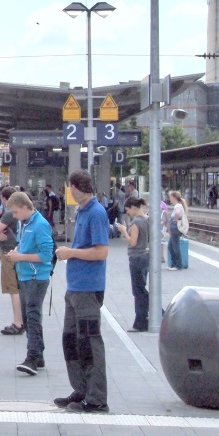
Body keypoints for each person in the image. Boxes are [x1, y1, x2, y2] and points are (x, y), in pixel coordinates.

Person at [52, 169, 110, 414]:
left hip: (88, 289)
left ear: (75, 187)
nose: (69, 193)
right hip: (75, 288)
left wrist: (71, 253)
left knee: (89, 343)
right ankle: (81, 389)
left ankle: (97, 399)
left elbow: (101, 252)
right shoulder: (82, 211)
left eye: (70, 188)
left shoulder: (97, 213)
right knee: (71, 341)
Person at [4, 191, 55, 375]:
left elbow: (47, 255)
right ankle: (39, 355)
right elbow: (24, 244)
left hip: (36, 278)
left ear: (26, 207)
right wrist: (16, 251)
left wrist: (20, 257)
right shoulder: (24, 224)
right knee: (28, 316)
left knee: (32, 317)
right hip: (25, 276)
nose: (14, 216)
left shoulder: (40, 225)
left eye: (16, 212)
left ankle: (32, 358)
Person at [0, 187, 25, 336]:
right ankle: (21, 320)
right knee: (18, 288)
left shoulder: (9, 214)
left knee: (13, 289)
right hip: (17, 253)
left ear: (5, 199)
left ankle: (18, 323)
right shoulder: (20, 213)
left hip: (10, 255)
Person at [115, 197, 150, 332]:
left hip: (136, 258)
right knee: (141, 289)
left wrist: (124, 231)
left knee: (138, 291)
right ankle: (151, 316)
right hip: (145, 256)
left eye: (127, 210)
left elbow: (133, 242)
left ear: (133, 208)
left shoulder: (136, 222)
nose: (127, 213)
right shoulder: (147, 220)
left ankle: (143, 321)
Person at [167, 190, 188, 270]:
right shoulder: (179, 205)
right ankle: (174, 264)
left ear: (174, 198)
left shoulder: (177, 206)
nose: (170, 199)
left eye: (171, 197)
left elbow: (177, 213)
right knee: (171, 246)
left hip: (175, 228)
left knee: (175, 247)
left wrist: (175, 220)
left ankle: (178, 265)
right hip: (175, 228)